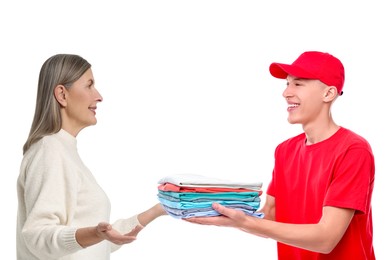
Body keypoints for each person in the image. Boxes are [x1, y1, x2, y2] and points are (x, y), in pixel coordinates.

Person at [186, 51, 375, 259]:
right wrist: (206, 205)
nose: (286, 93)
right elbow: (270, 215)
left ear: (328, 94)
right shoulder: (285, 150)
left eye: (298, 84)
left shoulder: (353, 150)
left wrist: (245, 221)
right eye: (287, 84)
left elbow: (326, 238)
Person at [16, 54, 167, 260]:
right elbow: (37, 236)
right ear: (62, 94)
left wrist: (159, 209)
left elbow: (99, 244)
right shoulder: (49, 149)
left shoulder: (64, 151)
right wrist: (94, 233)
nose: (99, 96)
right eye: (89, 85)